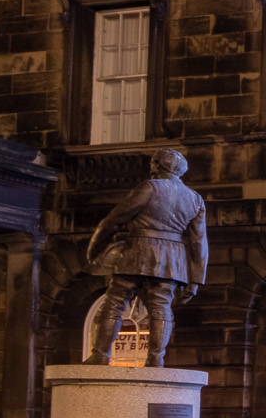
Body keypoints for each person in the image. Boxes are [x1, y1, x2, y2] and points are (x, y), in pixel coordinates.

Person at [84, 147, 208, 367]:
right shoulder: (195, 199)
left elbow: (114, 220)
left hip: (138, 251)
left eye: (153, 162)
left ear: (160, 165)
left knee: (115, 301)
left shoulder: (150, 187)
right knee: (162, 305)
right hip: (172, 259)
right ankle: (156, 359)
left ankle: (100, 355)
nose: (151, 166)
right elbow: (199, 242)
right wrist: (196, 279)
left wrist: (94, 248)